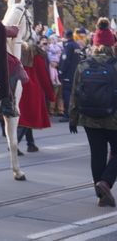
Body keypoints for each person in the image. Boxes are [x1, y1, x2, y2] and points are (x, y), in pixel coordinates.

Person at [70, 18, 117, 207]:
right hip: (113, 118)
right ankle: (105, 182)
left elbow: (74, 93)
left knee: (97, 154)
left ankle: (101, 195)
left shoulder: (83, 65)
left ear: (95, 44)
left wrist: (73, 119)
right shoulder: (115, 65)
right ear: (111, 45)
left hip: (88, 118)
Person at [17, 39, 55, 153]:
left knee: (25, 117)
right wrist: (51, 95)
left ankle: (31, 143)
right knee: (28, 118)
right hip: (33, 91)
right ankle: (14, 143)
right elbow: (43, 77)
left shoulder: (17, 55)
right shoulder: (37, 56)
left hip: (18, 88)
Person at [60, 29, 85, 122]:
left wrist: (61, 72)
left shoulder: (68, 46)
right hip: (76, 73)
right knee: (75, 94)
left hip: (68, 74)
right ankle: (76, 113)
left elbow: (64, 60)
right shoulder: (76, 45)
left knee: (67, 94)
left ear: (66, 36)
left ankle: (67, 114)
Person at [47, 34, 64, 116]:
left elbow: (62, 58)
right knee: (54, 92)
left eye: (55, 39)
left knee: (60, 93)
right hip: (52, 69)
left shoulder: (60, 48)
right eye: (53, 39)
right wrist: (52, 63)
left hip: (59, 70)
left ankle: (60, 109)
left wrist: (58, 64)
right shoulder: (49, 48)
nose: (54, 41)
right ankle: (52, 109)